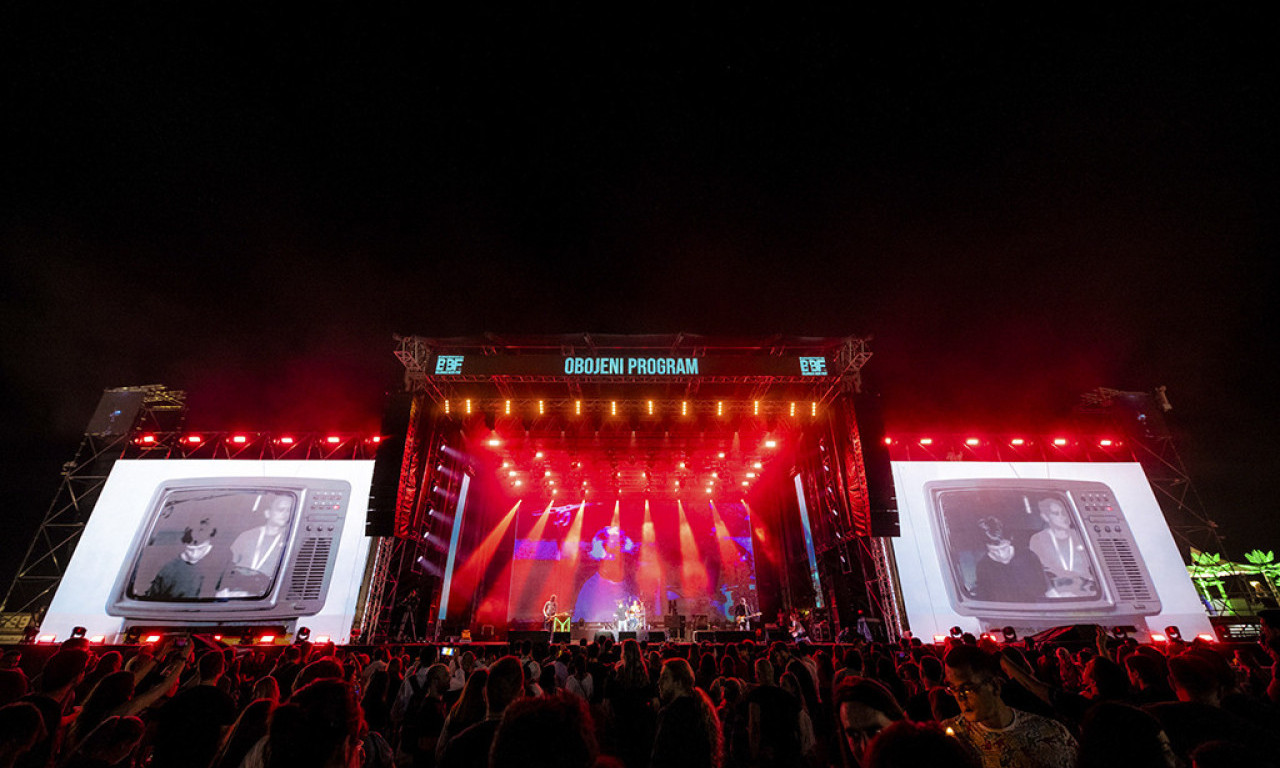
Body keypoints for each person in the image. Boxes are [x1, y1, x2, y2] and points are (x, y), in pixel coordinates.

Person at [941, 645, 1076, 768]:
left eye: (967, 688)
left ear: (994, 686)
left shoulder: (1050, 732)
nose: (960, 697)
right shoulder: (949, 740)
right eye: (953, 689)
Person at [651, 658, 723, 768]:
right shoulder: (701, 710)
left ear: (678, 682)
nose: (659, 682)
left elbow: (660, 757)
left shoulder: (670, 715)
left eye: (665, 678)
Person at [146, 517, 234, 599]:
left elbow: (227, 595)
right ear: (189, 529)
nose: (200, 527)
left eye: (205, 524)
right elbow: (153, 599)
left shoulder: (223, 560)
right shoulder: (169, 567)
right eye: (197, 523)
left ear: (213, 531)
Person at [223, 495, 293, 596]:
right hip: (236, 591)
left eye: (289, 511)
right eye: (281, 509)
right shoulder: (247, 536)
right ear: (267, 513)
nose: (286, 514)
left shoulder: (290, 541)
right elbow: (226, 568)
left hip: (265, 595)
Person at [1027, 499, 1096, 597]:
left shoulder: (1080, 536)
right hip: (1058, 593)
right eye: (1056, 513)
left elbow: (1092, 569)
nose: (1063, 517)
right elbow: (1041, 573)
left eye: (1064, 513)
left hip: (1086, 592)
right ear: (1045, 517)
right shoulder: (1038, 539)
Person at [972, 516, 1047, 603]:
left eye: (1004, 548)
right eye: (994, 550)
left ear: (1010, 540)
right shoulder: (983, 567)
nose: (1001, 554)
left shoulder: (1029, 557)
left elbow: (1043, 589)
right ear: (985, 546)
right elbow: (985, 599)